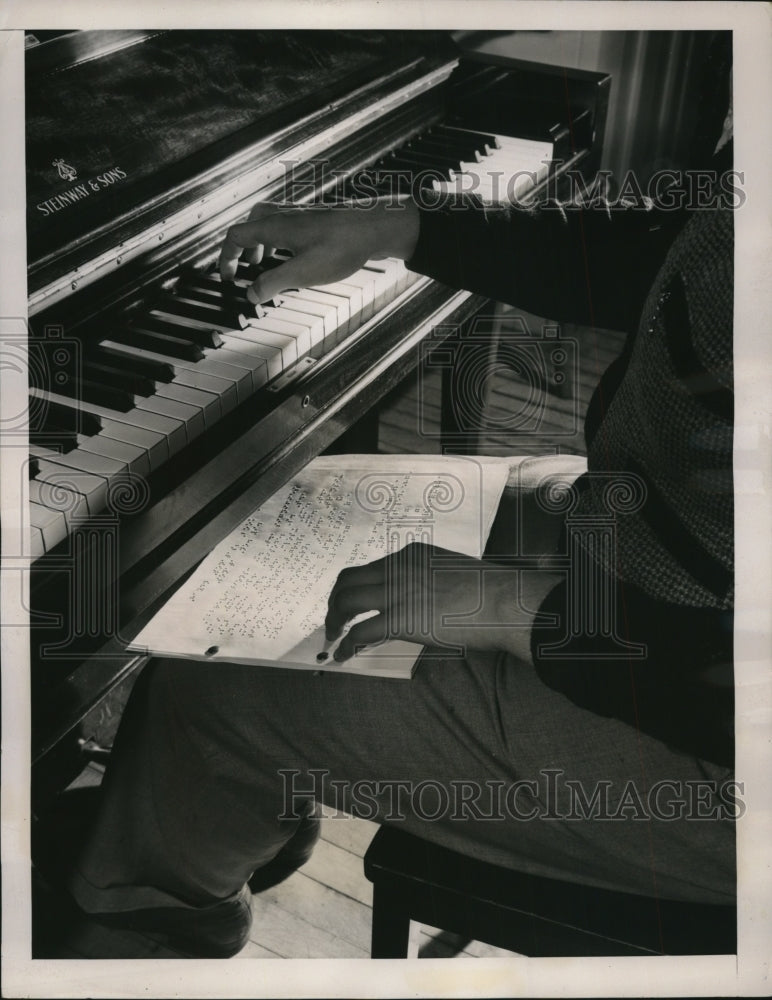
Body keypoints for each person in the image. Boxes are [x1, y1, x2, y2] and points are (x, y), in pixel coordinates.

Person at [37, 131, 736, 959]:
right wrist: (403, 227)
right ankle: (241, 808)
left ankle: (145, 923)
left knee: (211, 684)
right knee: (263, 541)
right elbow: (665, 261)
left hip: (711, 735)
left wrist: (518, 612)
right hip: (654, 544)